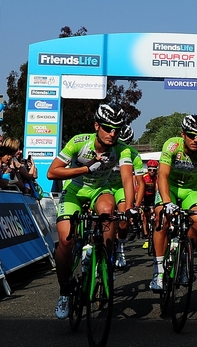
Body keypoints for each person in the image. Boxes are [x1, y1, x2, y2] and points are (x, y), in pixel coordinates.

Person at [47, 104, 136, 319]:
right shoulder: (79, 142)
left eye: (117, 129)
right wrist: (86, 168)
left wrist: (130, 208)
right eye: (108, 128)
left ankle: (103, 259)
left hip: (100, 190)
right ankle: (64, 291)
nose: (112, 133)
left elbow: (127, 179)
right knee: (66, 241)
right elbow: (52, 172)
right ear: (97, 126)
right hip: (75, 190)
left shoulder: (122, 149)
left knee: (108, 211)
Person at [149, 114, 197, 291]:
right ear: (183, 134)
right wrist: (166, 202)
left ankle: (184, 258)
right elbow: (162, 175)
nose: (196, 139)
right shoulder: (172, 145)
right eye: (191, 135)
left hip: (190, 190)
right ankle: (158, 271)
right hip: (170, 188)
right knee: (162, 218)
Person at [112, 125, 144, 268]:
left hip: (120, 187)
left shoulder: (134, 155)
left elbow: (141, 183)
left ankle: (120, 248)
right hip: (103, 185)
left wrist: (136, 206)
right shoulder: (106, 150)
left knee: (124, 218)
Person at [140, 159, 159, 249]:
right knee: (145, 217)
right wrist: (141, 202)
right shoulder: (144, 177)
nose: (152, 171)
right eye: (150, 169)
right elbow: (140, 190)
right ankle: (146, 237)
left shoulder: (157, 177)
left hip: (154, 197)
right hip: (145, 197)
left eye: (154, 170)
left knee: (156, 215)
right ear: (147, 170)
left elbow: (157, 190)